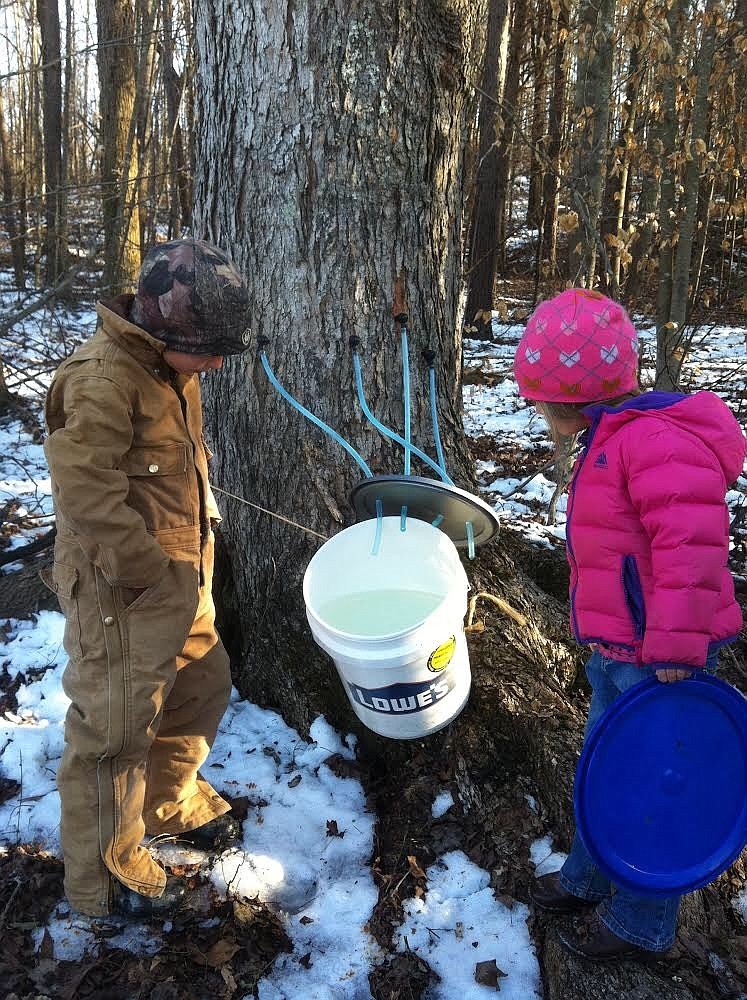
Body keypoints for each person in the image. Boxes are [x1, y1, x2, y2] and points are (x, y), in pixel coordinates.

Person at [513, 288, 746, 960]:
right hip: (619, 649)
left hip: (659, 656)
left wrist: (675, 646)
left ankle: (641, 926)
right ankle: (588, 878)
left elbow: (689, 548)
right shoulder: (613, 435)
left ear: (572, 399)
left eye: (541, 403)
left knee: (653, 790)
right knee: (604, 770)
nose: (539, 415)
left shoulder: (651, 443)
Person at [42, 238, 252, 919]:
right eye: (210, 347)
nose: (217, 362)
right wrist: (146, 572)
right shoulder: (102, 381)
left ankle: (168, 801)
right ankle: (104, 881)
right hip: (123, 591)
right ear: (163, 328)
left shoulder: (171, 371)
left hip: (181, 579)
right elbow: (86, 496)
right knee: (115, 733)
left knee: (200, 685)